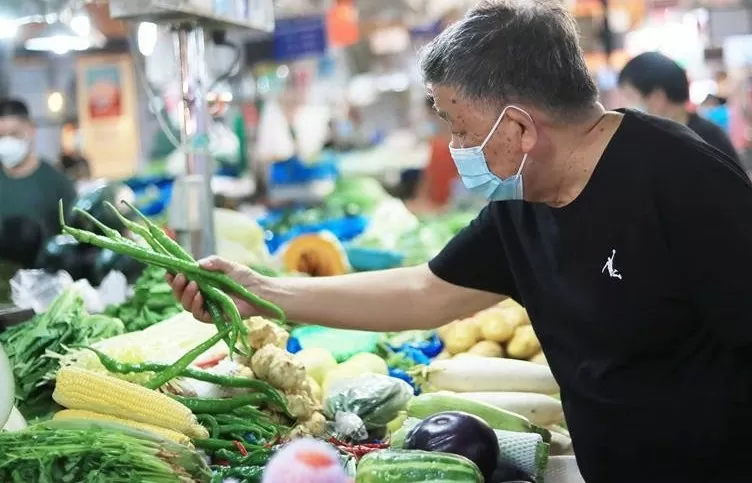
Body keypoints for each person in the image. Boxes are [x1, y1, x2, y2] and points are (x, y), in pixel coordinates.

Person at [169, 1, 752, 481]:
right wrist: (263, 291)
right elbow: (424, 291)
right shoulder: (522, 203)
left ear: (521, 127)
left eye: (460, 127)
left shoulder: (684, 182)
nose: (455, 146)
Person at [618, 51, 742, 166]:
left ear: (657, 97)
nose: (627, 105)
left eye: (630, 97)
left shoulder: (704, 141)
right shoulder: (656, 138)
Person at [0, 99, 77, 257]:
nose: (6, 141)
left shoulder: (57, 184)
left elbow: (75, 241)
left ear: (31, 130)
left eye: (14, 134)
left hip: (47, 277)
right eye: (1, 136)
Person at [406, 97, 458, 213]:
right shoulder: (436, 143)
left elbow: (460, 193)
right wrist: (419, 200)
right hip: (434, 208)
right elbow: (428, 177)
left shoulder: (461, 147)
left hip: (448, 209)